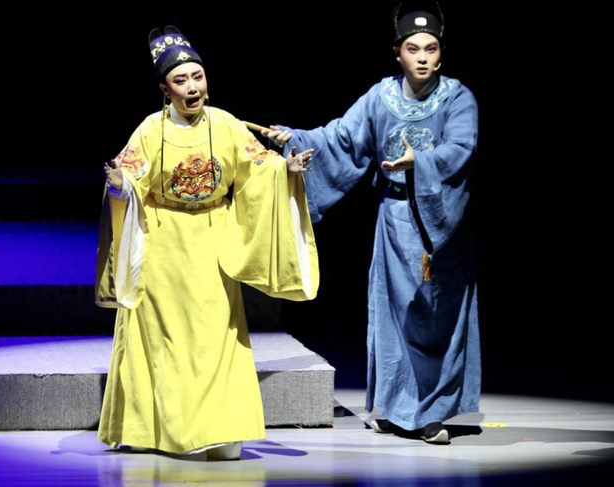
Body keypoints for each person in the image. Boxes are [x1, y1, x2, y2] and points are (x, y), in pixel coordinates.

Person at [95, 25, 319, 459]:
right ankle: (154, 430)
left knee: (217, 337)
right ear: (165, 90)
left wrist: (285, 170)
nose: (192, 87)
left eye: (197, 77)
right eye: (181, 81)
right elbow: (131, 175)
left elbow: (259, 167)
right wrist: (122, 185)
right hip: (162, 243)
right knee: (161, 341)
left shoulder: (226, 124)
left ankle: (221, 430)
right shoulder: (150, 129)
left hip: (214, 240)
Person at [265, 1, 480, 444]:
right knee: (393, 318)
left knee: (435, 318)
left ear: (441, 53)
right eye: (413, 49)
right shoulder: (381, 97)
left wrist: (419, 162)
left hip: (440, 224)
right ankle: (398, 409)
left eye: (431, 48)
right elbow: (341, 138)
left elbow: (462, 148)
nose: (423, 58)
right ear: (397, 53)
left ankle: (432, 412)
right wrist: (295, 138)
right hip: (395, 220)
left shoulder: (457, 97)